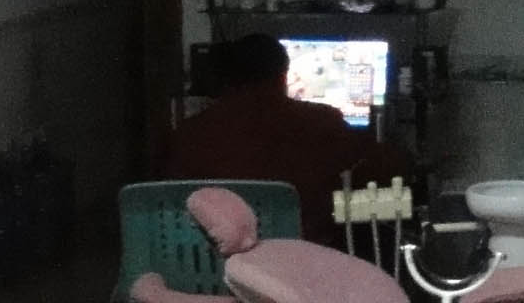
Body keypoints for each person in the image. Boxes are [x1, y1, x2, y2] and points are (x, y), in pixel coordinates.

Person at [161, 34, 411, 246]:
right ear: (283, 74)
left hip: (216, 267)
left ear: (225, 78)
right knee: (380, 223)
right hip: (302, 265)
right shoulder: (322, 122)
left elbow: (172, 201)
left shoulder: (190, 132)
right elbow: (387, 172)